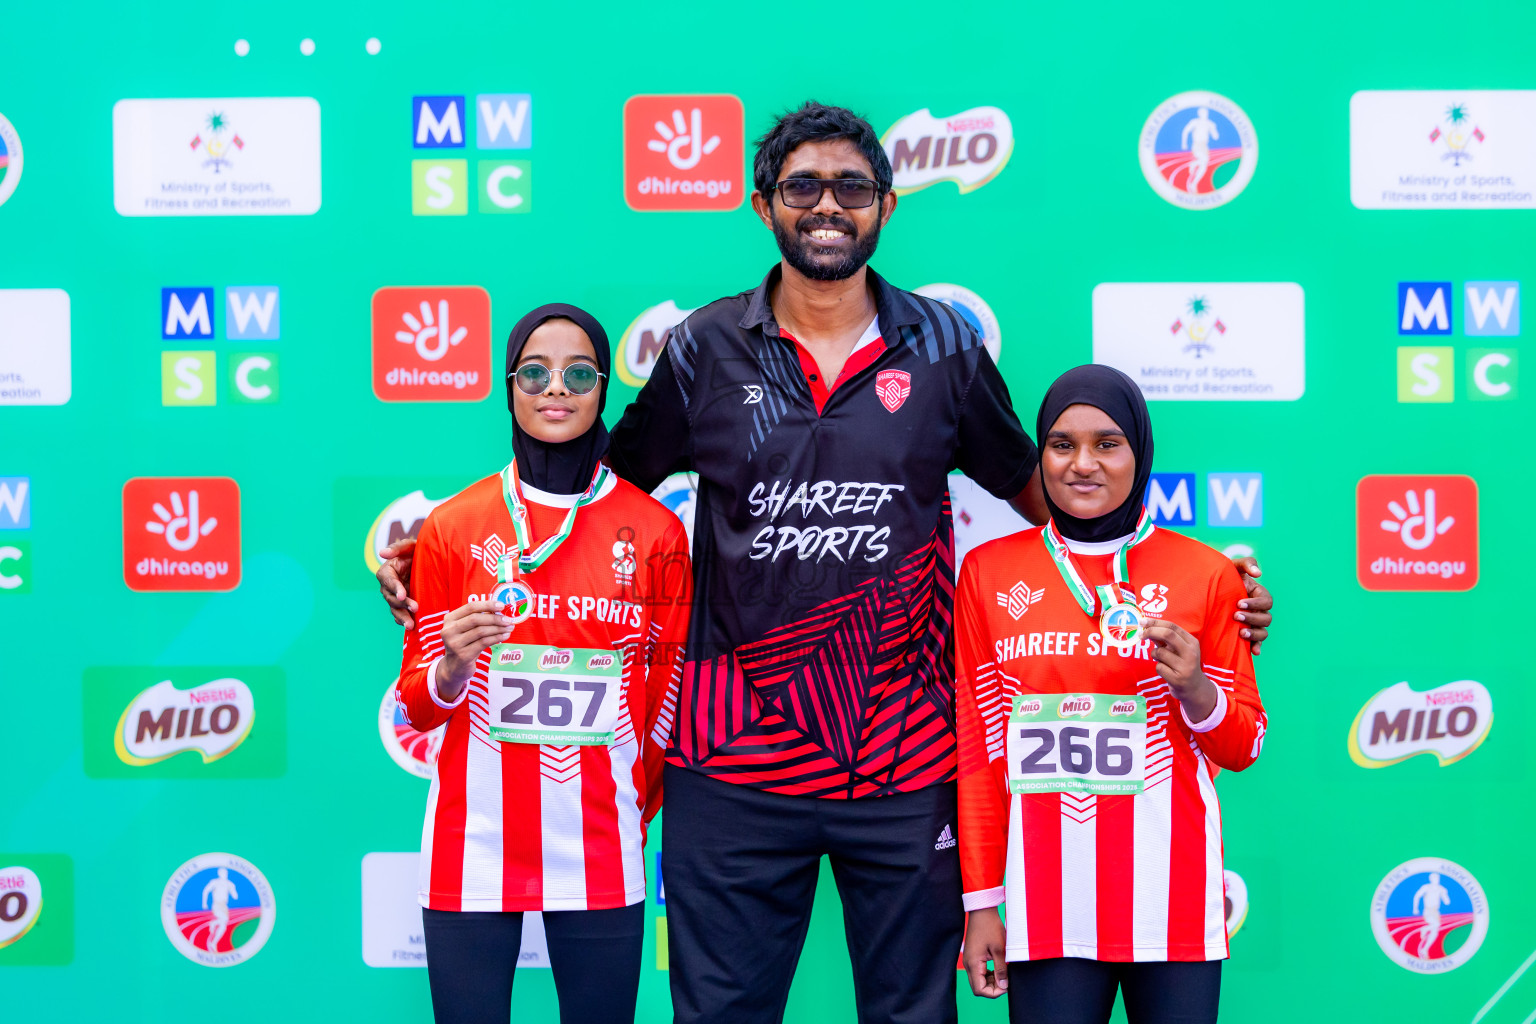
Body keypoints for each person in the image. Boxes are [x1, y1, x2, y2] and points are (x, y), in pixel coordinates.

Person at [379, 102, 1274, 1024]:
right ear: (764, 204)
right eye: (803, 186)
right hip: (730, 764)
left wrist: (1199, 590)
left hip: (905, 754)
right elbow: (592, 506)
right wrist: (439, 557)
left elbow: (1052, 502)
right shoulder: (702, 350)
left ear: (886, 204)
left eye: (852, 187)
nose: (828, 206)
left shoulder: (945, 348)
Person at [392, 303, 691, 1024]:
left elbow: (665, 702)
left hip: (600, 840)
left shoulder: (655, 531)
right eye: (536, 372)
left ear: (601, 390)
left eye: (578, 372)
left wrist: (628, 809)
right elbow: (418, 702)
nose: (556, 389)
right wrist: (455, 667)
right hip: (472, 843)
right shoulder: (455, 526)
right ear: (509, 385)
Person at [955, 364, 1267, 1024]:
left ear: (1141, 452)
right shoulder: (987, 572)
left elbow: (1244, 745)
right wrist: (982, 903)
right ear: (1039, 453)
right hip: (1046, 910)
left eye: (1107, 443)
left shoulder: (1207, 574)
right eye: (1062, 444)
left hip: (1172, 904)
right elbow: (980, 755)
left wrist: (1195, 687)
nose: (1082, 464)